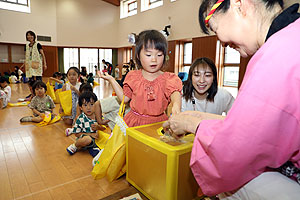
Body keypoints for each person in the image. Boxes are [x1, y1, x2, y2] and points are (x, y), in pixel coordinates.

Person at [163, 0, 300, 199]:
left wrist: (190, 122)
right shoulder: (291, 37)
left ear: (239, 5)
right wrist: (194, 118)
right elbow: (253, 128)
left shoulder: (276, 55)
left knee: (230, 181)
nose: (221, 41)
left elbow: (236, 148)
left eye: (215, 27)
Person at [99, 29, 182, 127]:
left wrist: (176, 104)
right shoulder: (133, 77)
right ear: (138, 55)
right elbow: (124, 99)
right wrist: (112, 80)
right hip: (134, 123)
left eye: (159, 55)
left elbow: (175, 93)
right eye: (148, 55)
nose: (154, 59)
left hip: (158, 123)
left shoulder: (168, 78)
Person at [66, 91, 100, 156]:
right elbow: (77, 134)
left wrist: (99, 127)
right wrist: (90, 134)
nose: (88, 108)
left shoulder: (98, 115)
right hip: (85, 137)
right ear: (81, 107)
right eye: (85, 105)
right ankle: (75, 145)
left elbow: (104, 127)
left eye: (91, 104)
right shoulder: (81, 119)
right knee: (87, 139)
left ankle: (93, 148)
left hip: (96, 140)